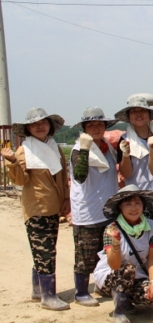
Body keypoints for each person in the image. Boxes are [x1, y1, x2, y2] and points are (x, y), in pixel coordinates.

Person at [1, 108, 70, 311]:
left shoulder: (55, 148)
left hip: (54, 206)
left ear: (49, 126)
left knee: (45, 250)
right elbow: (21, 180)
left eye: (43, 123)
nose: (40, 126)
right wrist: (12, 162)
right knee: (45, 252)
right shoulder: (25, 150)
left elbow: (63, 175)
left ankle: (38, 289)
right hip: (36, 208)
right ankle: (48, 296)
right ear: (28, 129)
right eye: (34, 124)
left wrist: (66, 198)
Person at [70, 107, 119, 307]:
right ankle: (81, 292)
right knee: (85, 255)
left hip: (108, 210)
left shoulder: (107, 146)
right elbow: (80, 176)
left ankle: (102, 284)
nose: (96, 128)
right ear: (84, 128)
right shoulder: (78, 149)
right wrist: (84, 149)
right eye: (91, 125)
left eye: (100, 124)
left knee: (106, 252)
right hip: (88, 212)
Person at [94, 185, 153, 323]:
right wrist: (116, 244)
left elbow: (152, 258)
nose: (134, 208)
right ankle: (119, 312)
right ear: (120, 207)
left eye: (137, 203)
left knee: (150, 296)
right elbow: (114, 265)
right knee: (127, 269)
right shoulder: (111, 229)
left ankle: (127, 299)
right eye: (128, 204)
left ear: (143, 205)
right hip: (113, 274)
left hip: (138, 275)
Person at [115, 94, 153, 195]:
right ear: (129, 116)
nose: (139, 114)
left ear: (149, 114)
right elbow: (126, 174)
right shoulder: (125, 140)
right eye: (134, 111)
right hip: (139, 196)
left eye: (142, 110)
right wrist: (126, 155)